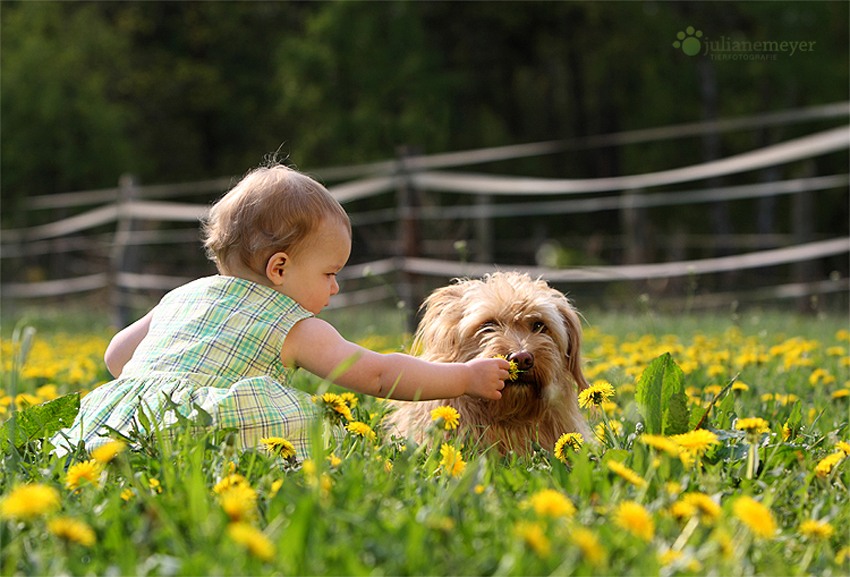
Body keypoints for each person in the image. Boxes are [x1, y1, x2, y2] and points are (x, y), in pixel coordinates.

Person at [53, 163, 509, 458]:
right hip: (206, 434)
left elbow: (116, 357)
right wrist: (464, 378)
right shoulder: (291, 323)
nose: (335, 285)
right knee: (313, 432)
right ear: (280, 268)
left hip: (123, 427)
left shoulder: (182, 296)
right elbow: (376, 374)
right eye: (330, 273)